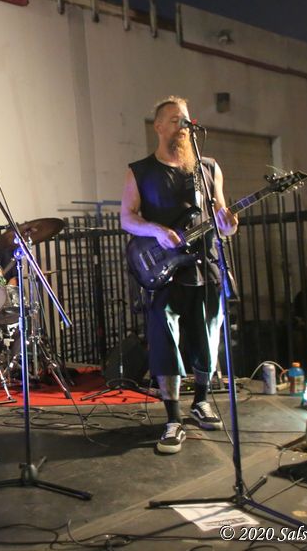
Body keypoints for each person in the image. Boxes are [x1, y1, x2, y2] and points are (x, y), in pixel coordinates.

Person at [120, 96, 238, 454]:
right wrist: (156, 231)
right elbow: (127, 217)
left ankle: (201, 401)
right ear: (158, 127)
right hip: (163, 270)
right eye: (174, 120)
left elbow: (224, 218)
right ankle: (173, 417)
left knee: (208, 335)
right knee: (165, 338)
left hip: (205, 263)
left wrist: (229, 223)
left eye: (185, 120)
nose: (182, 126)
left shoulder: (208, 168)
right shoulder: (140, 171)